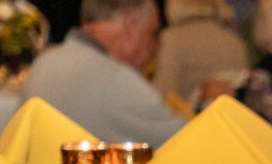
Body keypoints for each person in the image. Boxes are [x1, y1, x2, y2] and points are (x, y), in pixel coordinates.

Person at [26, 0, 186, 145]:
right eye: (153, 34)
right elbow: (189, 144)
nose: (154, 49)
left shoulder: (44, 63)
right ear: (130, 26)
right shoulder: (116, 81)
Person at [152, 0, 249, 105]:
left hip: (189, 119)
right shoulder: (236, 42)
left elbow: (162, 96)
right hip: (227, 117)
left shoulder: (170, 40)